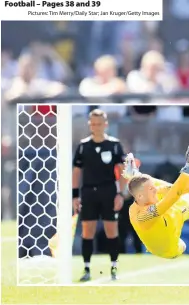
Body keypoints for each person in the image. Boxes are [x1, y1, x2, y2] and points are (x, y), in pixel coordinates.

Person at [123, 141, 189, 259]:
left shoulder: (148, 193)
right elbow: (175, 194)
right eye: (151, 189)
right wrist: (187, 167)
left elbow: (182, 188)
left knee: (179, 193)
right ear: (140, 197)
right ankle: (134, 175)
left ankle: (135, 174)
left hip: (167, 219)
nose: (155, 189)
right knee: (185, 198)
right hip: (169, 249)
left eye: (153, 187)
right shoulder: (143, 216)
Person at [72, 109, 127, 282]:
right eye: (93, 124)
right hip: (88, 191)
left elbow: (122, 170)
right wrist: (75, 195)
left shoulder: (114, 145)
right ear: (90, 125)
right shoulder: (83, 146)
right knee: (88, 231)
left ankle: (113, 268)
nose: (96, 127)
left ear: (106, 125)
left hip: (109, 191)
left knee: (112, 230)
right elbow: (76, 172)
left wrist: (120, 193)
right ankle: (87, 269)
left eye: (99, 123)